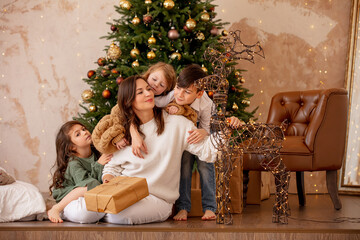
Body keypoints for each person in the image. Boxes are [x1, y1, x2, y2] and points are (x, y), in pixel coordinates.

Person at [98, 75, 219, 225]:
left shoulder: (177, 124)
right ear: (127, 100)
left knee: (117, 215)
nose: (149, 94)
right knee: (83, 211)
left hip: (158, 200)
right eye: (140, 92)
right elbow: (112, 165)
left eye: (148, 89)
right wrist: (108, 180)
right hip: (123, 193)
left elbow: (208, 152)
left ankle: (98, 213)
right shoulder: (122, 132)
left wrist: (227, 129)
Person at [167, 64, 240, 221]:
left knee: (205, 165)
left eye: (187, 92)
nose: (180, 94)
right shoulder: (172, 97)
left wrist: (203, 132)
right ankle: (183, 207)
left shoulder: (207, 104)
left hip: (202, 135)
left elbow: (209, 127)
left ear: (199, 94)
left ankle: (209, 207)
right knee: (184, 164)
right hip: (184, 138)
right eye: (178, 88)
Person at [91, 62, 176, 156]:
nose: (156, 85)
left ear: (166, 90)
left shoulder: (162, 101)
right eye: (154, 79)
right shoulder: (133, 89)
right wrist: (121, 136)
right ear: (148, 74)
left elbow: (179, 97)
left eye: (162, 85)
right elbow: (117, 115)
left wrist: (175, 107)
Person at [48, 121, 112, 223]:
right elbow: (86, 183)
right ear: (71, 147)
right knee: (87, 188)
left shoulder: (95, 154)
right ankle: (56, 208)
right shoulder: (73, 163)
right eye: (78, 134)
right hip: (69, 192)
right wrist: (99, 165)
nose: (85, 132)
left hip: (86, 188)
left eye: (83, 129)